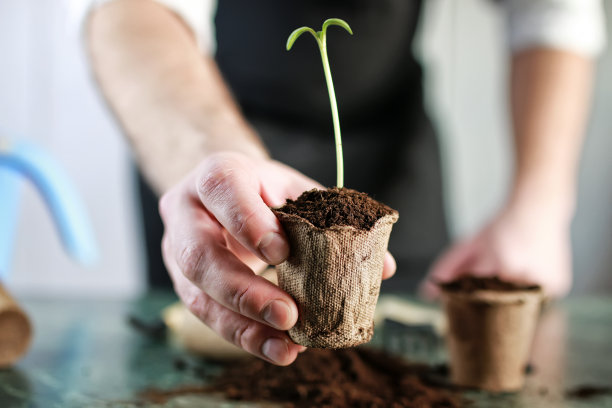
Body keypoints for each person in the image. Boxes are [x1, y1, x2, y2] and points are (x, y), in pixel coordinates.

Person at [86, 0, 605, 365]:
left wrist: (539, 203)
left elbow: (552, 9)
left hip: (393, 144)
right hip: (204, 130)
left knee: (403, 355)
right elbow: (127, 9)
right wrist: (214, 162)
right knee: (221, 338)